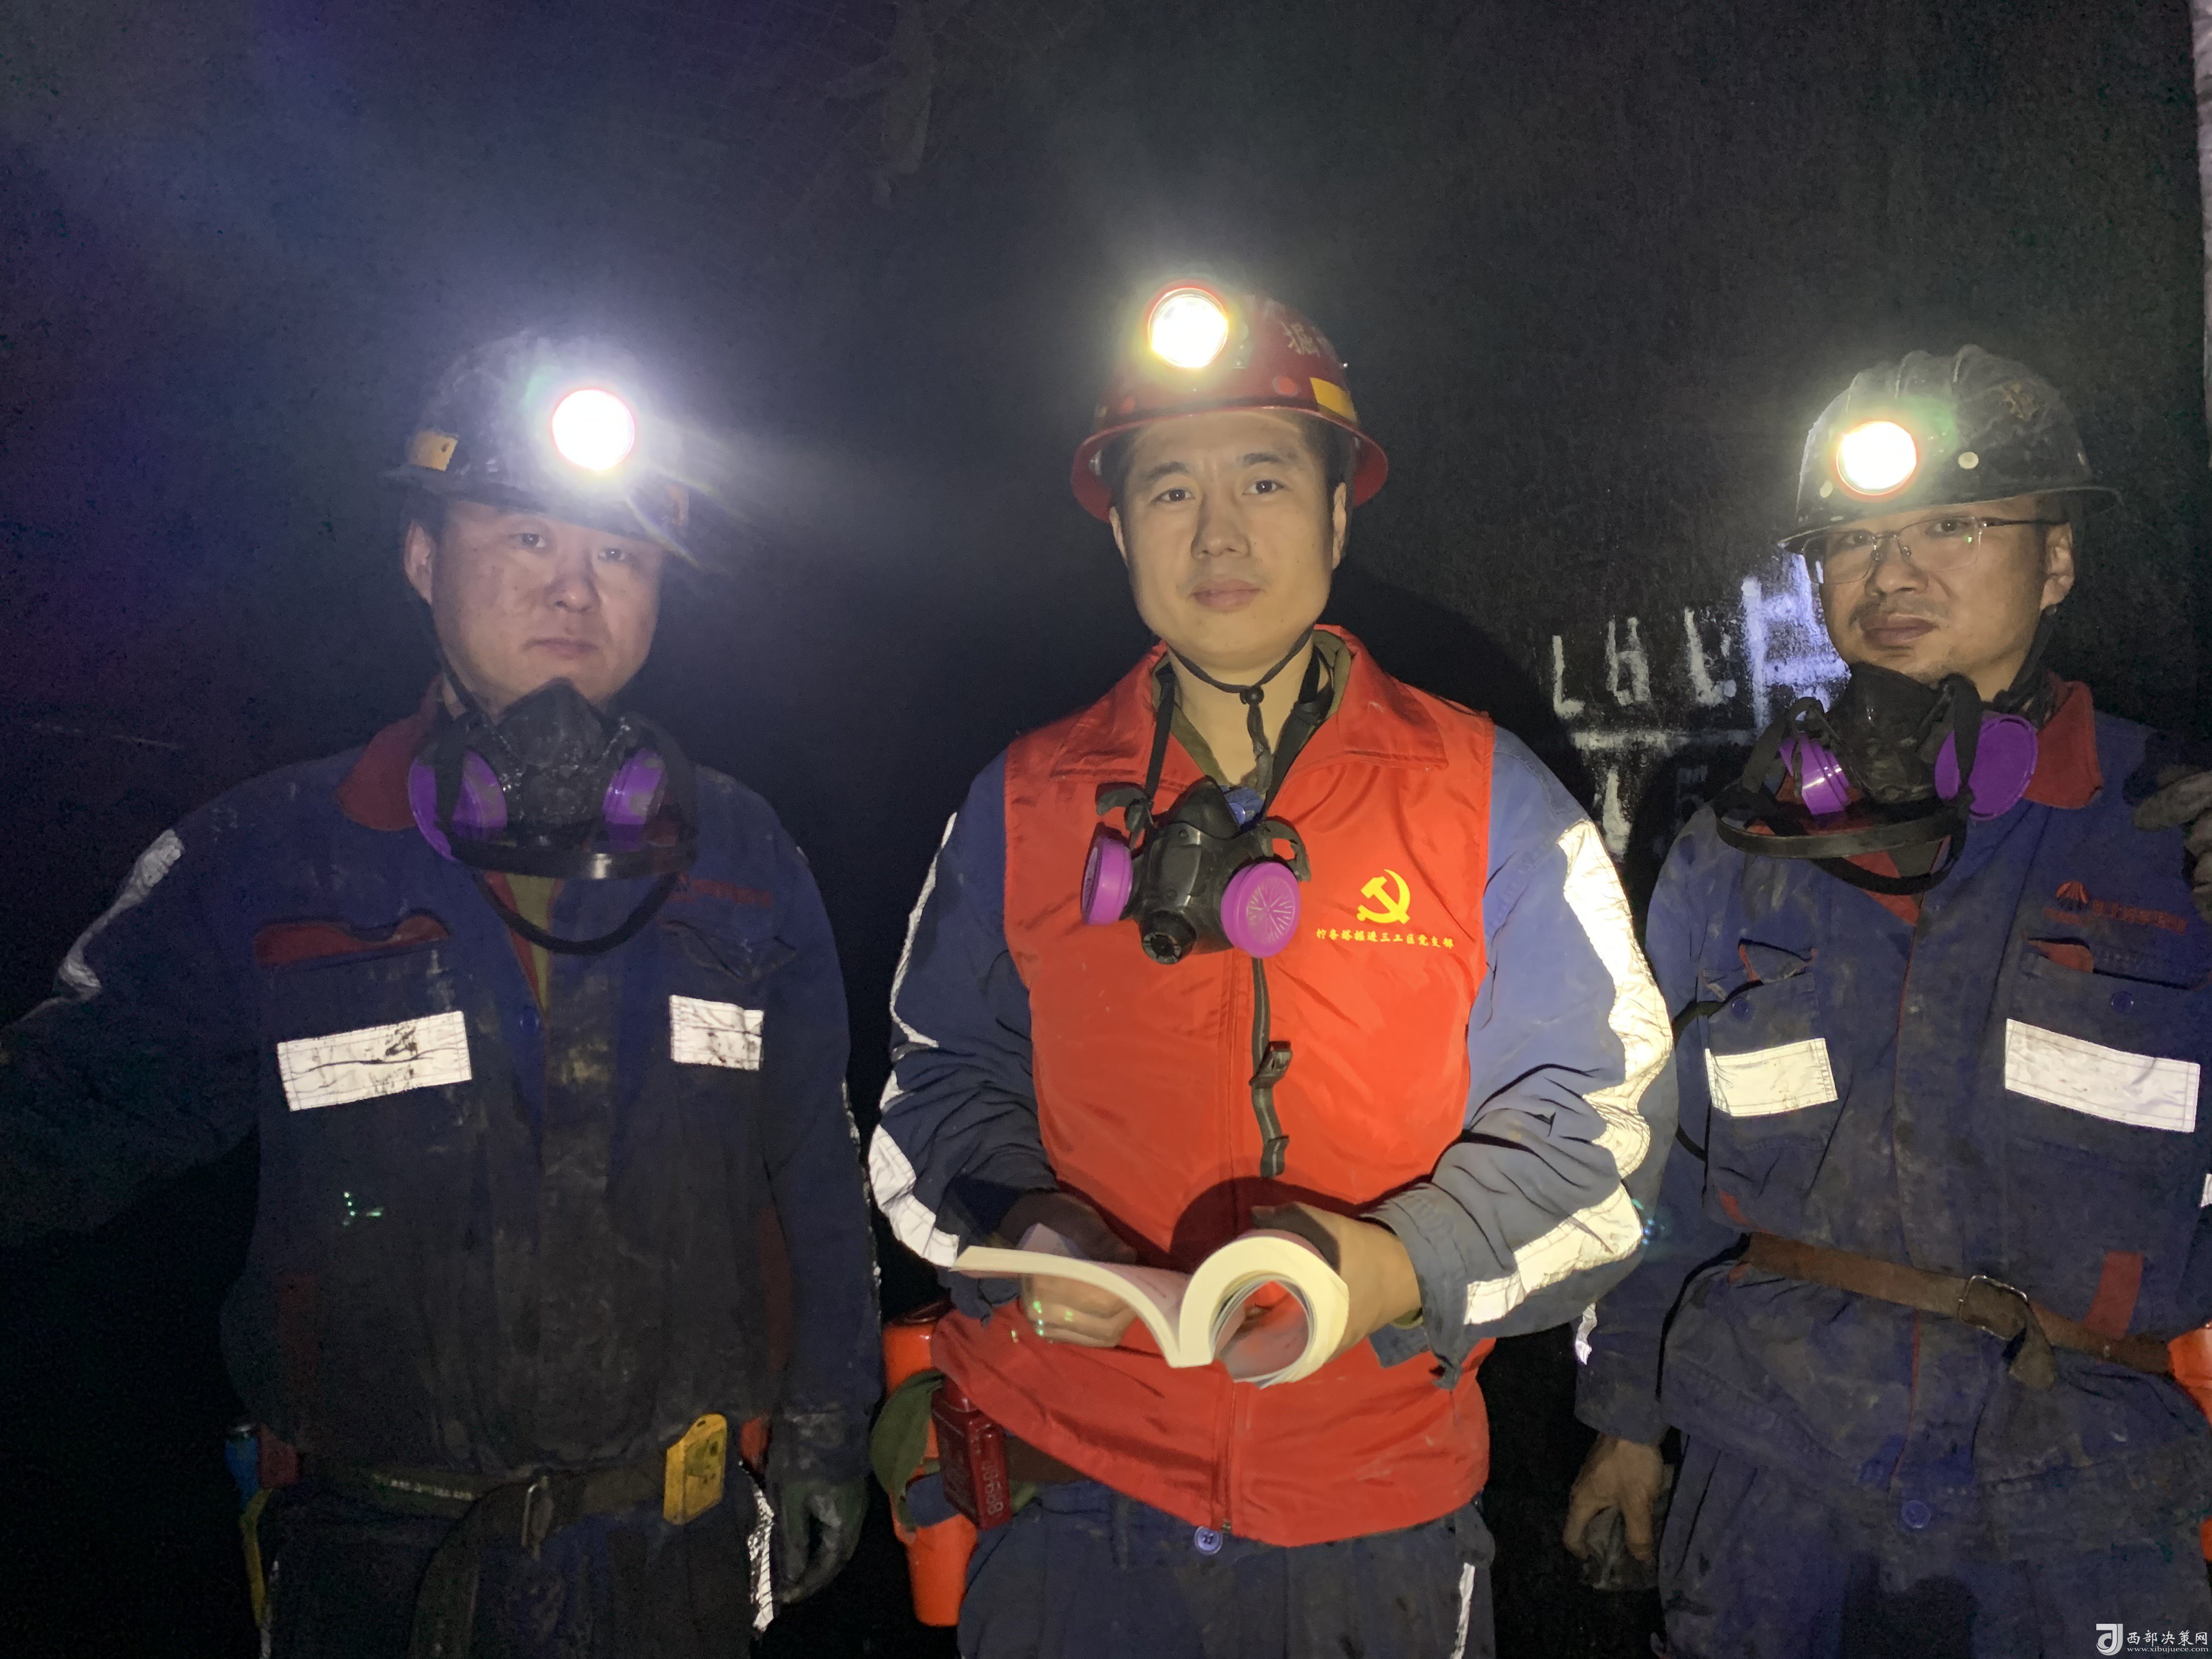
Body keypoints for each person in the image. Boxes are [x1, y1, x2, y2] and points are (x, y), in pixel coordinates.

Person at [0, 332, 880, 1658]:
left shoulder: (742, 855)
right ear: (422, 558)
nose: (576, 585)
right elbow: (73, 1104)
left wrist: (826, 1421)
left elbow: (812, 1157)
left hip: (677, 1562)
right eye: (527, 536)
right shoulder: (271, 855)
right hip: (379, 1568)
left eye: (621, 553)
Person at [866, 278, 1677, 1658]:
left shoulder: (1486, 796)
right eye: (1171, 489)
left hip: (1371, 1531)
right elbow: (934, 1091)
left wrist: (1384, 1269)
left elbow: (1602, 1138)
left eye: (1264, 479)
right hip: (1071, 1514)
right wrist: (1023, 1228)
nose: (1219, 532)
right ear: (1119, 526)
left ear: (1340, 514)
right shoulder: (1025, 801)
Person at [1565, 346, 2212, 1656]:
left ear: (2058, 560)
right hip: (1772, 1480)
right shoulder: (1741, 852)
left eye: (1955, 525)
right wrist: (1626, 1417)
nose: (1895, 572)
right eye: (1857, 540)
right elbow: (1658, 1160)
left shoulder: (2172, 839)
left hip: (2085, 1501)